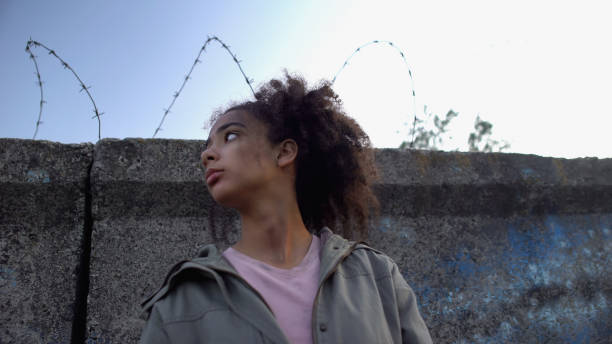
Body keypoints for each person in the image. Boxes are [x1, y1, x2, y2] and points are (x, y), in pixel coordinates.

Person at [139, 73, 432, 343]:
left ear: (284, 152)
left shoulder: (377, 274)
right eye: (207, 146)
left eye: (230, 136)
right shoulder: (179, 302)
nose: (207, 155)